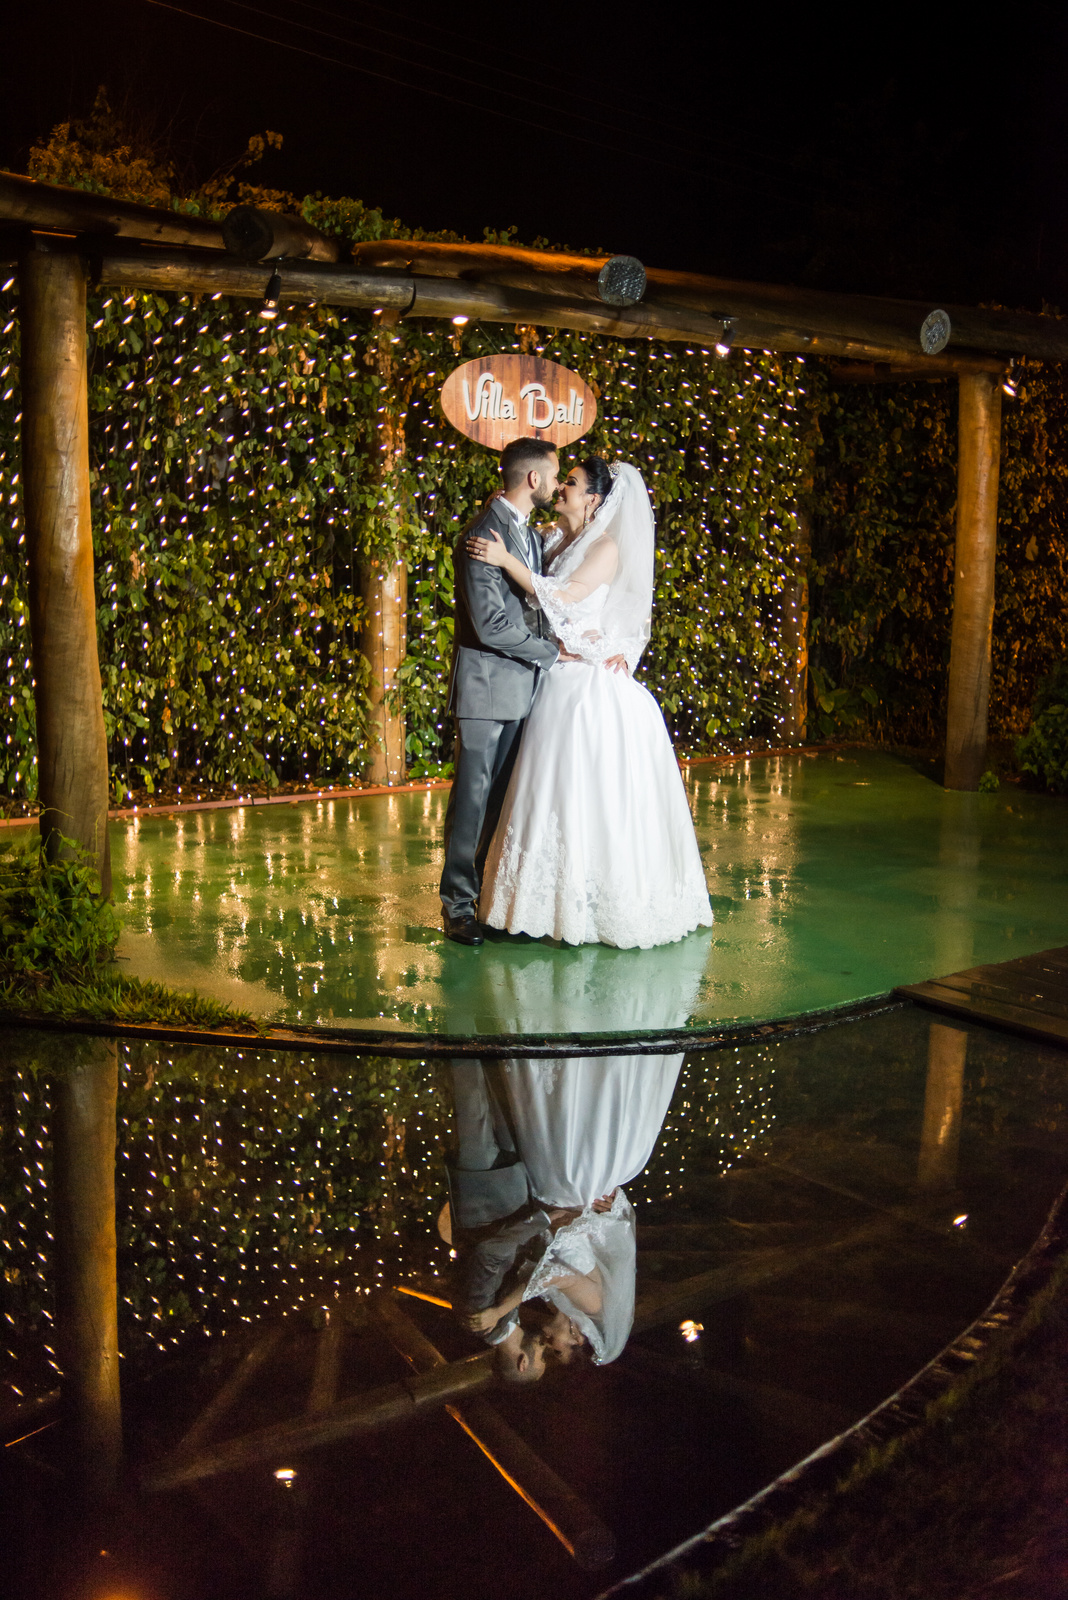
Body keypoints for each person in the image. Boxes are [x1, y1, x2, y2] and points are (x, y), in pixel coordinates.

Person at [468, 458, 714, 949]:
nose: (561, 488)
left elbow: (567, 595)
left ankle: (592, 905)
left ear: (594, 500)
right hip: (552, 674)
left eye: (572, 483)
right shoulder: (554, 539)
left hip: (584, 682)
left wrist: (506, 562)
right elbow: (525, 536)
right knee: (543, 792)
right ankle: (534, 901)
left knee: (585, 793)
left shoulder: (605, 547)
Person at [439, 437, 570, 946]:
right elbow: (490, 624)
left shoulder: (528, 534)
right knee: (471, 802)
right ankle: (458, 907)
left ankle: (486, 900)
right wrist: (549, 653)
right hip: (486, 688)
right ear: (533, 478)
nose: (557, 483)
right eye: (554, 474)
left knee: (498, 801)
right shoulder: (482, 534)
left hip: (520, 688)